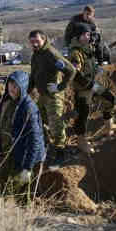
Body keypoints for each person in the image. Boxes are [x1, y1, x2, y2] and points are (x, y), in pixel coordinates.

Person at [0, 70, 46, 204]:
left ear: (22, 88)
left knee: (20, 197)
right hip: (12, 154)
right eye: (10, 84)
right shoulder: (7, 101)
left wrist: (28, 168)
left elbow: (35, 140)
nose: (12, 88)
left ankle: (24, 218)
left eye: (16, 86)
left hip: (26, 158)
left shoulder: (28, 108)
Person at [69, 23, 116, 154]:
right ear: (79, 36)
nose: (89, 37)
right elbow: (75, 75)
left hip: (93, 84)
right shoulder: (76, 53)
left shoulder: (88, 48)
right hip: (83, 88)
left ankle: (109, 127)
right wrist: (90, 85)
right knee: (83, 114)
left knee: (109, 98)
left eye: (89, 34)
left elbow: (93, 61)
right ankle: (81, 142)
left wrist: (97, 68)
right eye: (86, 35)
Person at [28, 30, 75, 169]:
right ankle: (46, 147)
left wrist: (60, 87)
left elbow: (71, 70)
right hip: (42, 95)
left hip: (53, 96)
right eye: (32, 41)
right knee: (38, 120)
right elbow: (33, 75)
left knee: (56, 124)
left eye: (37, 41)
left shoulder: (51, 53)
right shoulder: (36, 55)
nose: (34, 44)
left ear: (44, 39)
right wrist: (27, 91)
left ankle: (61, 154)